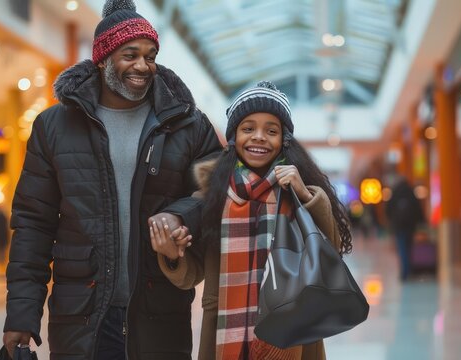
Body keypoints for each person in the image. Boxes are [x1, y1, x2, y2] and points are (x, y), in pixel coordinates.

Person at [1, 0, 221, 358]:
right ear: (102, 59)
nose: (142, 66)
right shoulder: (54, 127)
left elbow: (215, 190)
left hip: (159, 313)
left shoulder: (186, 124)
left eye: (150, 56)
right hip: (82, 317)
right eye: (130, 55)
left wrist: (179, 215)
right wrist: (22, 314)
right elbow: (33, 224)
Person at [150, 81, 353, 359]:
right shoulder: (214, 195)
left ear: (284, 140)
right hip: (226, 335)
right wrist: (173, 255)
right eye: (248, 129)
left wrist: (305, 194)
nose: (259, 137)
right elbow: (193, 273)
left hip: (291, 334)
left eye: (271, 130)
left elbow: (331, 249)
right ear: (234, 137)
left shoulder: (297, 190)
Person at [384, 176, 424, 281]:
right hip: (410, 227)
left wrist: (392, 221)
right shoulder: (410, 192)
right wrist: (420, 222)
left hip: (399, 226)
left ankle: (404, 273)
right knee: (409, 248)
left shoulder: (395, 193)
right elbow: (418, 209)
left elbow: (388, 209)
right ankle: (409, 271)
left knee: (402, 249)